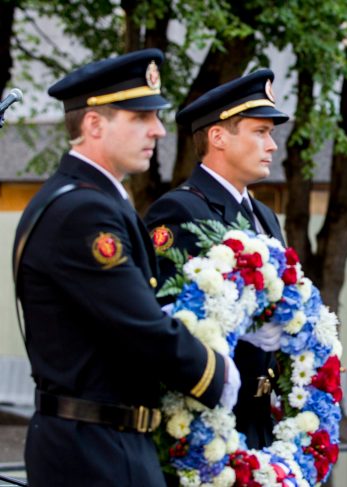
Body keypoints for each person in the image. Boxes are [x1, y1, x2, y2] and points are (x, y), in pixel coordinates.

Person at [12, 49, 240, 487]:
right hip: (95, 452)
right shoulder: (83, 212)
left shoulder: (92, 200)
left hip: (101, 443)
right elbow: (140, 326)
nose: (157, 129)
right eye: (139, 117)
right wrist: (217, 373)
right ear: (94, 124)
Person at [145, 69, 289, 449]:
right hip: (209, 426)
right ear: (218, 136)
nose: (271, 145)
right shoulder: (180, 210)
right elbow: (165, 318)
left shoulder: (264, 216)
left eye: (270, 133)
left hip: (261, 421)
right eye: (260, 132)